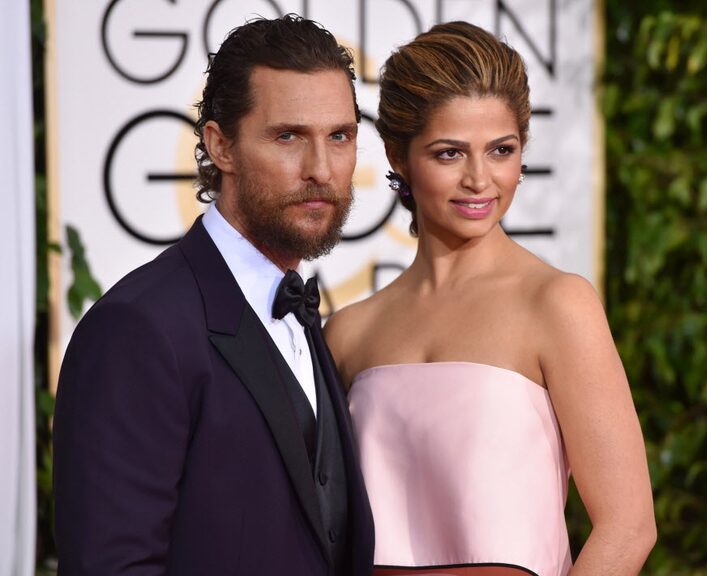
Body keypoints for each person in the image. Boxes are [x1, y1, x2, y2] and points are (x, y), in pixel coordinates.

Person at [324, 21, 656, 576]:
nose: (480, 180)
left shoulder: (556, 304)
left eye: (501, 150)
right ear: (399, 156)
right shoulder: (349, 333)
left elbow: (628, 528)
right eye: (450, 153)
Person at [53, 15, 374, 576]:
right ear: (219, 146)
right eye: (288, 136)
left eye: (339, 136)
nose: (321, 169)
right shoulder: (139, 327)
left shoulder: (301, 312)